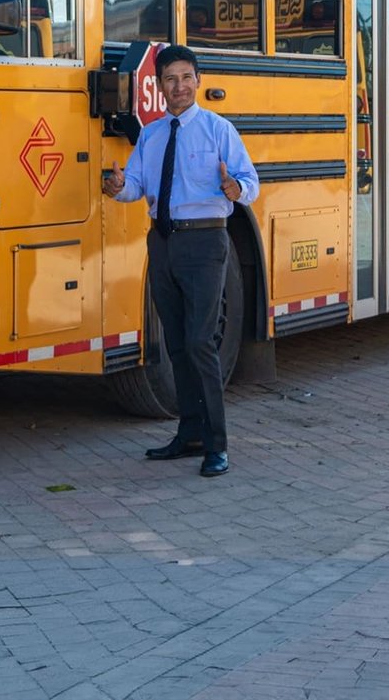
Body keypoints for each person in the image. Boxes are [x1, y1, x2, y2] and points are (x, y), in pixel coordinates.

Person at [102, 45, 259, 478]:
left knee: (199, 343)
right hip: (164, 245)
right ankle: (188, 434)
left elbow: (250, 181)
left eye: (186, 77)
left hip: (206, 245)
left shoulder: (217, 130)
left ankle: (216, 444)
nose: (179, 87)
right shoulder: (151, 136)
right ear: (159, 85)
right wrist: (118, 186)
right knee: (175, 344)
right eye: (170, 79)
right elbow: (136, 184)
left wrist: (235, 190)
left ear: (198, 80)